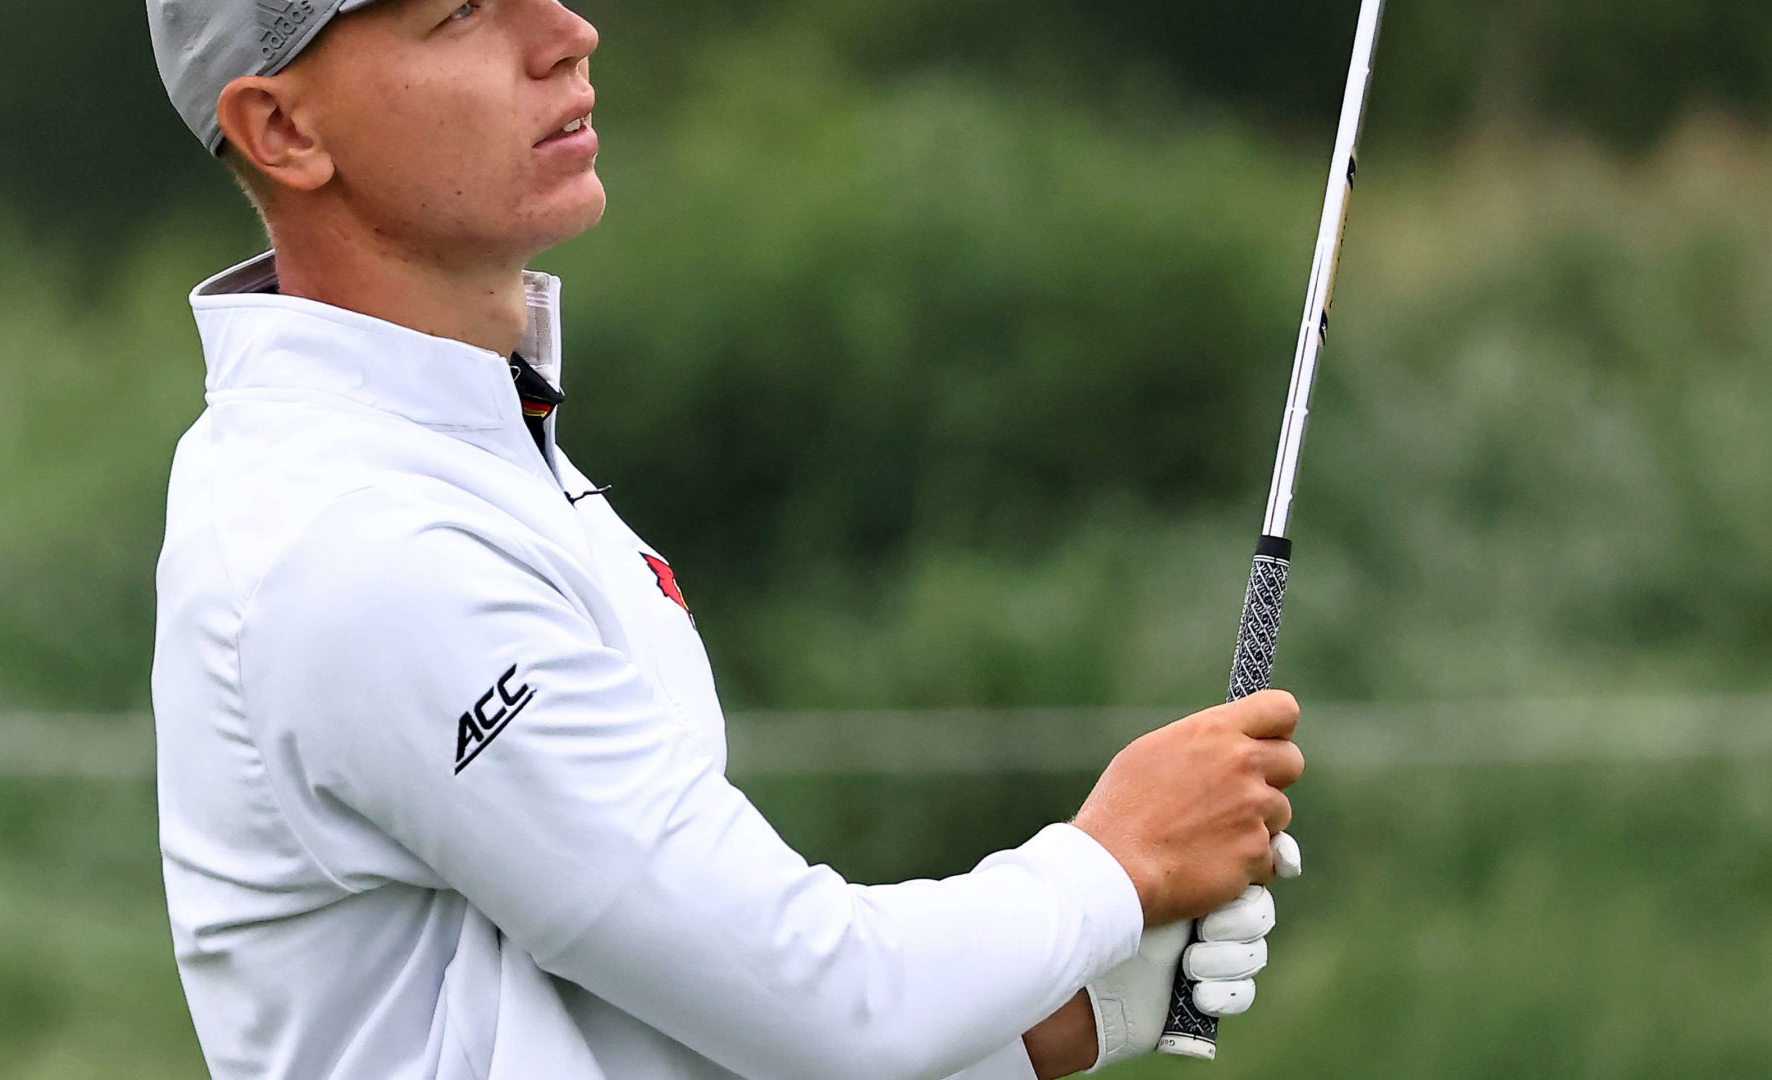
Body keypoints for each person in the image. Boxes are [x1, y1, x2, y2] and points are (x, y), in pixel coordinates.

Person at [143, 2, 1307, 1078]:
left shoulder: (467, 451)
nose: (565, 32)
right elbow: (827, 999)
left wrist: (1062, 1017)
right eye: (460, 9)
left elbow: (677, 1014)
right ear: (284, 128)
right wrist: (1111, 865)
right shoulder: (359, 541)